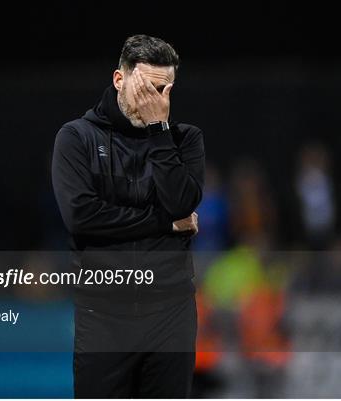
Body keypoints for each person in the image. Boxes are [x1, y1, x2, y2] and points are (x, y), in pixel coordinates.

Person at [51, 34, 205, 398]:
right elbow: (82, 217)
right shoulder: (76, 138)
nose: (157, 101)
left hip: (171, 313)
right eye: (148, 89)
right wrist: (162, 224)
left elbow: (182, 204)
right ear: (119, 79)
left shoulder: (185, 140)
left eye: (166, 90)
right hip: (103, 314)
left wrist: (158, 132)